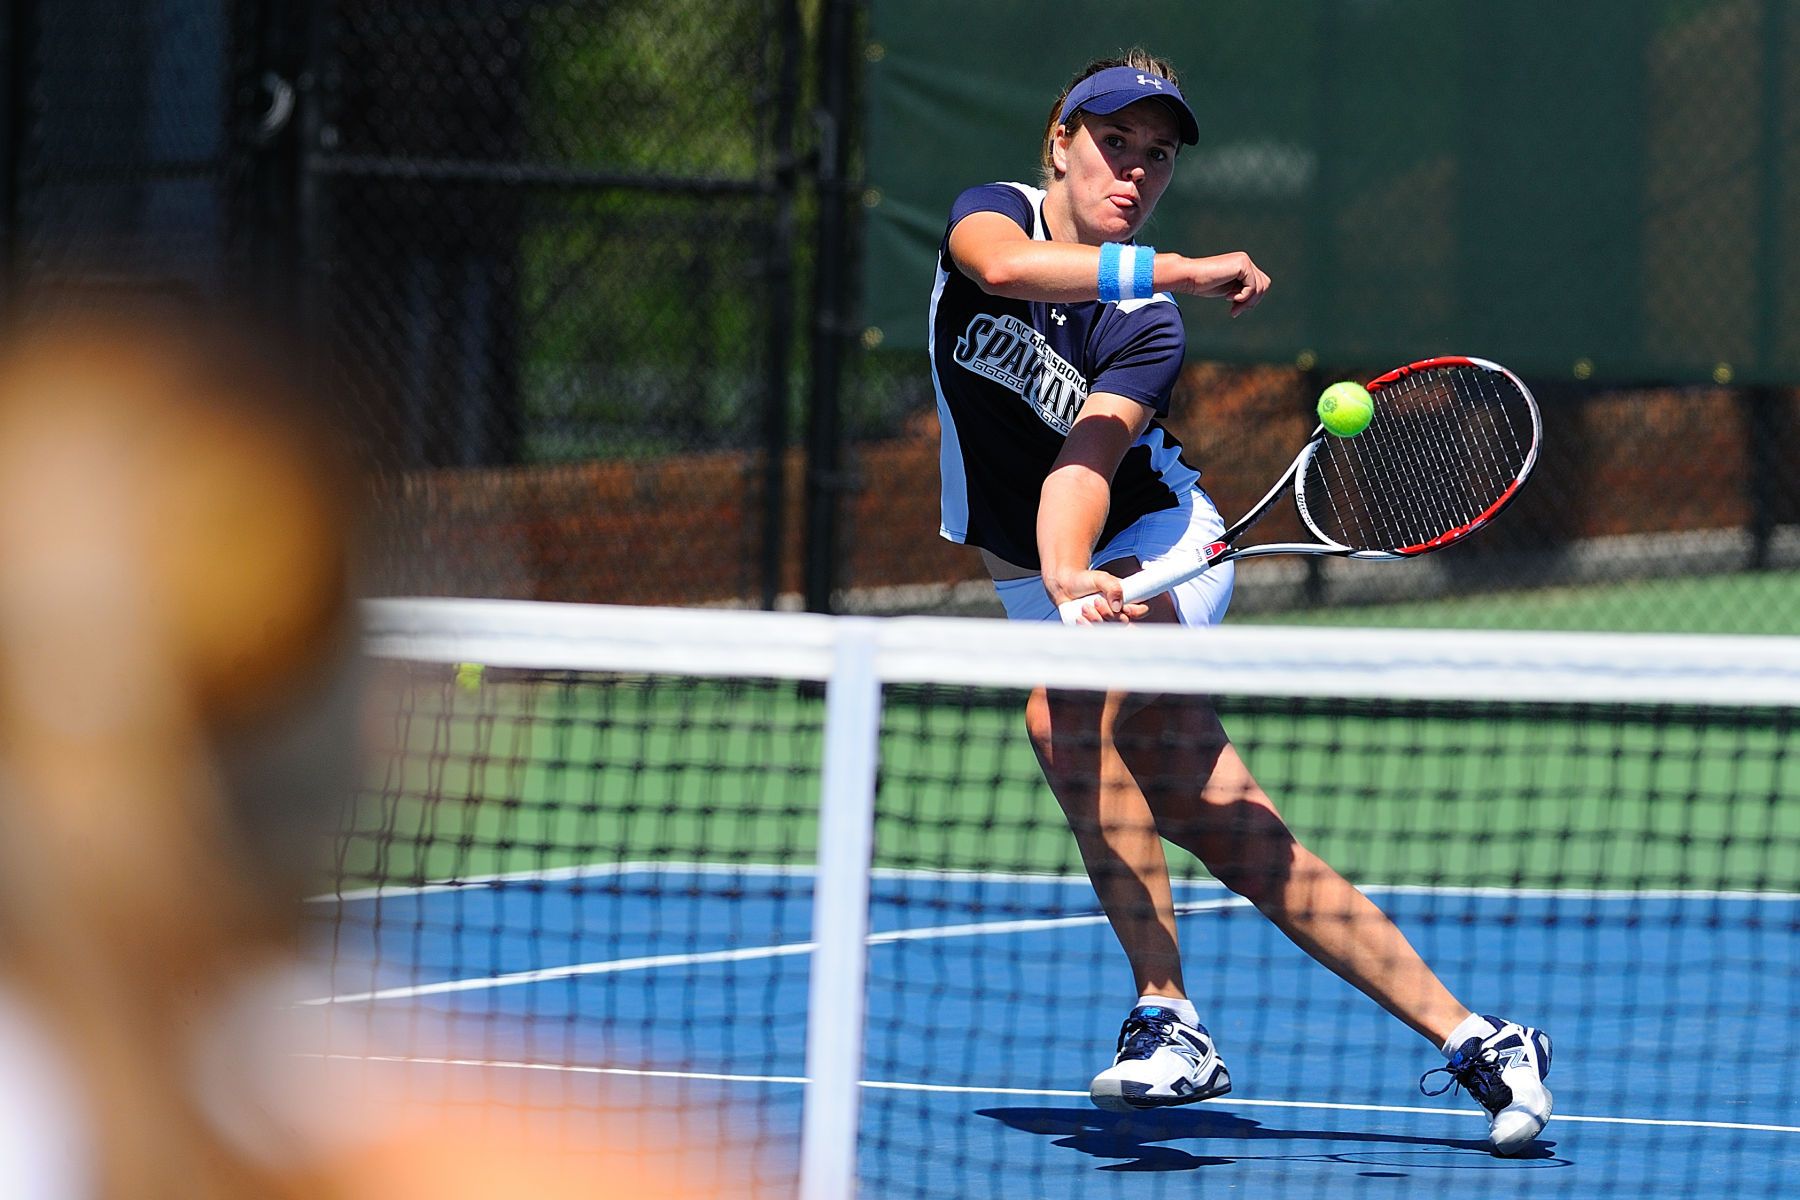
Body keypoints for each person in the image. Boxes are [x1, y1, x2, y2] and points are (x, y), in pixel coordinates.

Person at [927, 50, 1553, 1155]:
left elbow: (1087, 457)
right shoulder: (990, 219)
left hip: (1164, 546)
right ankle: (1483, 1039)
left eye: (1156, 157)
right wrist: (1174, 266)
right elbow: (1009, 271)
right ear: (1059, 139)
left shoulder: (1146, 329)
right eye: (1113, 142)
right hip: (1048, 575)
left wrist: (1083, 571)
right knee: (1232, 829)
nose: (1133, 170)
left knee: (1060, 716)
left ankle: (1168, 1019)